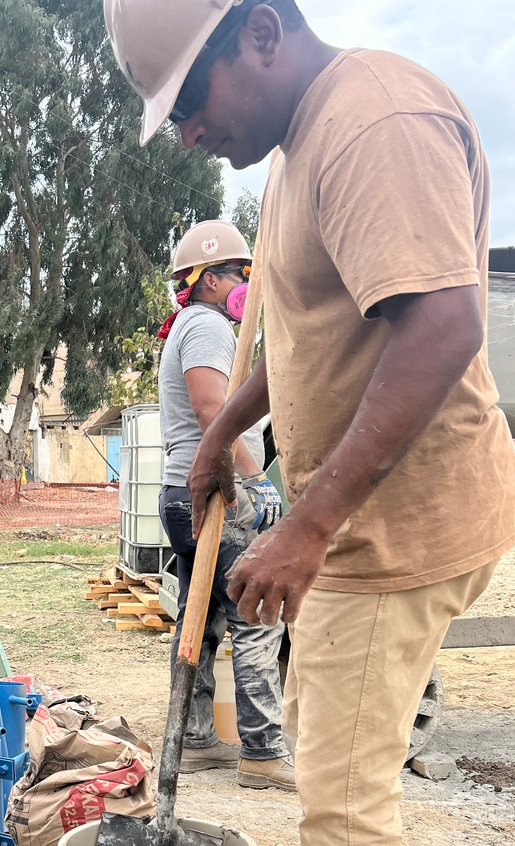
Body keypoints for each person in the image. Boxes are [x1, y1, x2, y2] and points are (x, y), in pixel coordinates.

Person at [106, 0, 515, 846]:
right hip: (362, 521)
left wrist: (310, 522)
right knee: (328, 740)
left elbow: (441, 323)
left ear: (260, 33)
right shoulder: (298, 145)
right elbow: (305, 343)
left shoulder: (371, 121)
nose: (186, 132)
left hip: (396, 526)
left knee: (337, 789)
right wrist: (224, 437)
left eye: (189, 101)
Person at [158, 217, 291, 789]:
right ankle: (261, 752)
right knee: (255, 616)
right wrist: (256, 478)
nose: (245, 283)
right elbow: (214, 412)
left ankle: (191, 739)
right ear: (209, 279)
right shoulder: (208, 326)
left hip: (183, 493)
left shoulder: (189, 323)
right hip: (218, 492)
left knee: (202, 615)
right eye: (239, 272)